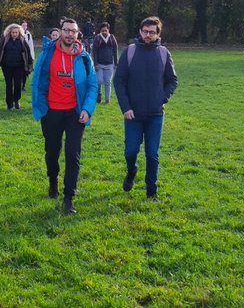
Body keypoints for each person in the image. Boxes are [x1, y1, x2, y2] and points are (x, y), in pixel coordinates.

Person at [31, 17, 98, 214]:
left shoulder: (84, 57)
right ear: (60, 32)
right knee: (52, 152)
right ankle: (53, 180)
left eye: (73, 31)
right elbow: (38, 81)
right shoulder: (48, 53)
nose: (69, 34)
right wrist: (40, 105)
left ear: (78, 34)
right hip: (51, 112)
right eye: (66, 30)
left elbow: (93, 85)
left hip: (75, 114)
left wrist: (87, 109)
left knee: (73, 153)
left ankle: (69, 198)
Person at [113, 16, 178, 200]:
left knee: (152, 154)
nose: (148, 35)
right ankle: (131, 170)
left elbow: (173, 80)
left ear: (158, 34)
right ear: (140, 31)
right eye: (145, 31)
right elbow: (119, 81)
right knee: (131, 151)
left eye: (152, 32)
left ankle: (152, 192)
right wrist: (125, 107)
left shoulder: (164, 53)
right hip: (132, 114)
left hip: (155, 115)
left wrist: (162, 98)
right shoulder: (130, 52)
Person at [0, 23, 33, 111]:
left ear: (19, 33)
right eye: (13, 32)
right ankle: (9, 104)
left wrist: (30, 66)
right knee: (9, 85)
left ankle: (16, 100)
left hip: (19, 67)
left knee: (18, 85)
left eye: (16, 32)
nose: (15, 34)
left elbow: (28, 54)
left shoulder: (22, 41)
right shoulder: (5, 41)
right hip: (7, 67)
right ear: (9, 32)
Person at [92, 22, 118, 104]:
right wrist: (95, 63)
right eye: (102, 30)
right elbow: (94, 51)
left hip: (109, 64)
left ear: (108, 30)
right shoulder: (97, 38)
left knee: (108, 83)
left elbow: (115, 50)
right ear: (100, 31)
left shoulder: (112, 38)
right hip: (99, 64)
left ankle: (107, 101)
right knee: (99, 81)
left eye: (105, 30)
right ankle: (98, 96)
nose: (104, 32)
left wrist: (116, 63)